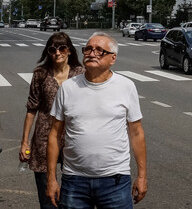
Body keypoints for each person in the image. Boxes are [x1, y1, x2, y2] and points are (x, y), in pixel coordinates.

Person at [46, 33, 147, 208]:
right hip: (74, 180)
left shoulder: (126, 86)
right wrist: (51, 178)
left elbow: (137, 133)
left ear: (112, 58)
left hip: (115, 180)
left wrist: (142, 176)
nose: (92, 53)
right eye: (88, 49)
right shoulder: (68, 88)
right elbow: (54, 134)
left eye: (99, 50)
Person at [20, 33, 83, 209]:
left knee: (75, 189)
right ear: (48, 52)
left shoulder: (80, 74)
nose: (57, 53)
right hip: (44, 136)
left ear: (69, 50)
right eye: (52, 49)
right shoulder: (41, 74)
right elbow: (32, 108)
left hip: (73, 135)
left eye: (62, 48)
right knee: (47, 192)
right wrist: (25, 142)